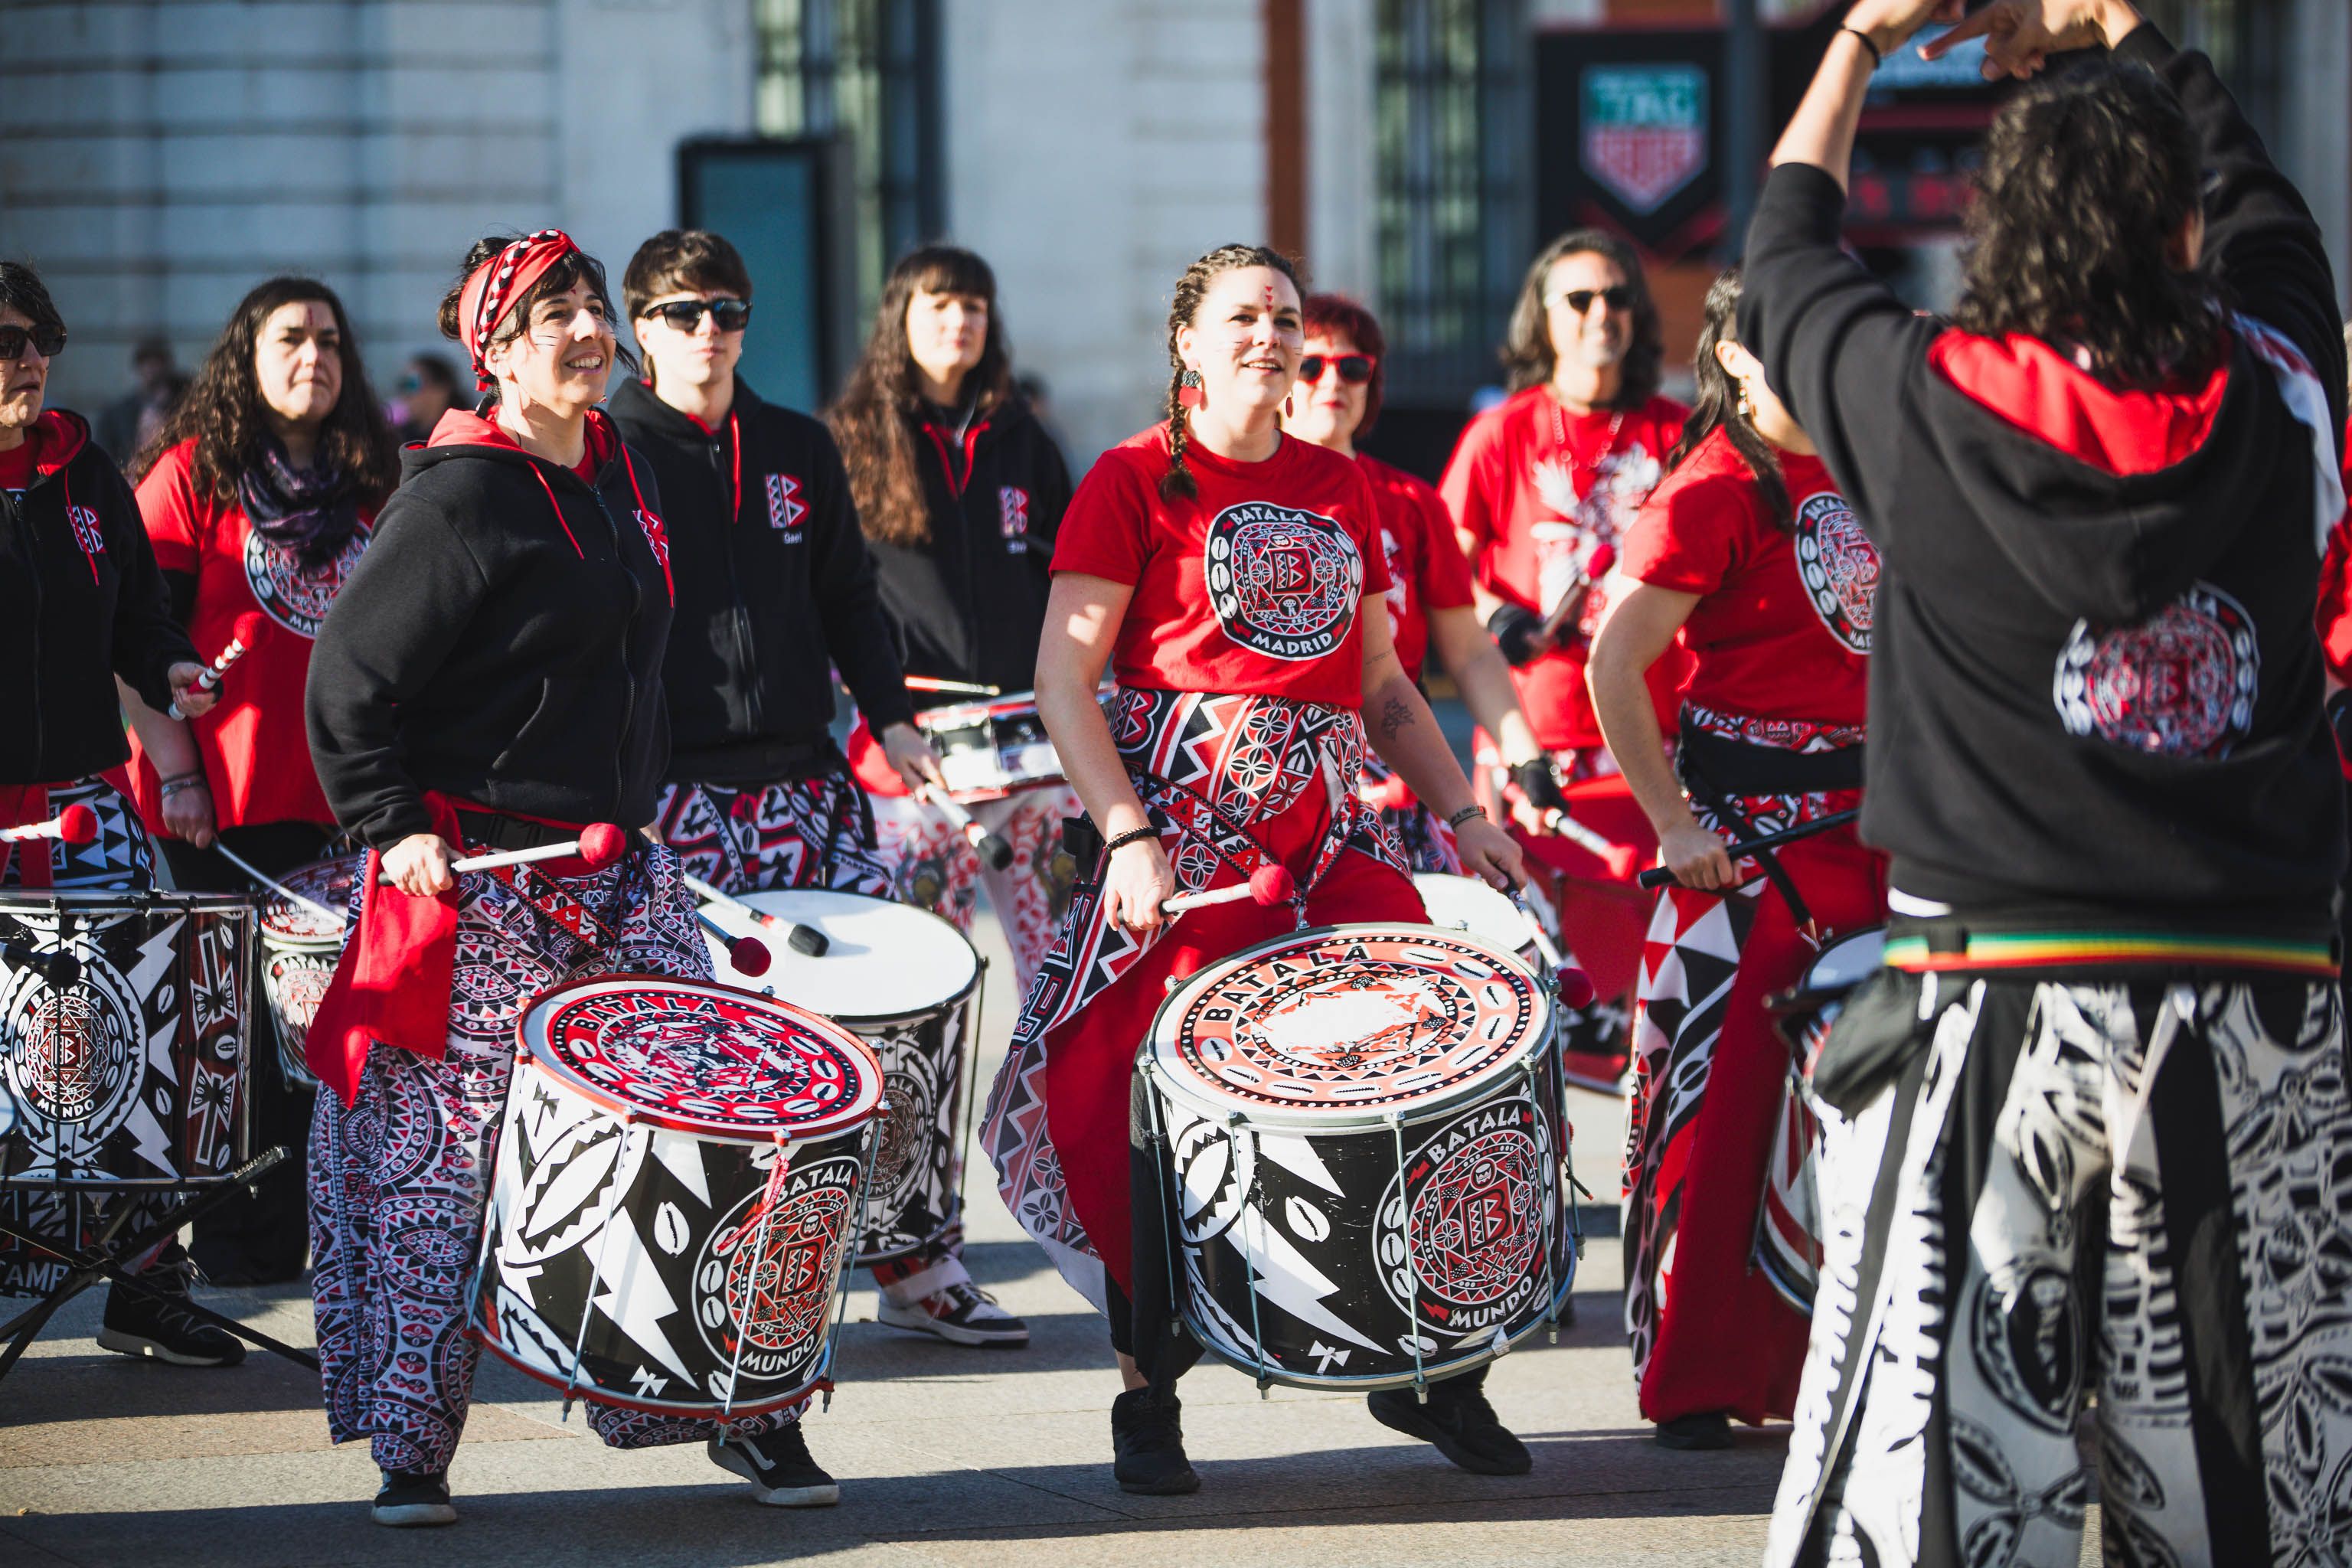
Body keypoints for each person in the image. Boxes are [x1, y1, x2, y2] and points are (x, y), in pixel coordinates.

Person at [1742, 3, 2351, 1563]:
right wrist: (2128, 25)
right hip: (2252, 990)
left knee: (1946, 1462)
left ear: (1992, 230)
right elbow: (2279, 225)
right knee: (2246, 1453)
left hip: (1993, 991)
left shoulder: (1921, 401)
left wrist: (1863, 43)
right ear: (2178, 228)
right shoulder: (2282, 390)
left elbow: (1791, 249)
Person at [980, 243, 1530, 1497]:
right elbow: (1066, 678)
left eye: (1284, 318)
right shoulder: (1129, 479)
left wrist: (1459, 810)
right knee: (1136, 1091)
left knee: (1428, 1058)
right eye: (1242, 318)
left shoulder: (1343, 484)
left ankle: (1430, 1367)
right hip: (1184, 833)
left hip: (1333, 834)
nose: (1270, 339)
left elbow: (1384, 681)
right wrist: (1125, 832)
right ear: (1186, 342)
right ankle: (1148, 1395)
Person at [304, 230, 828, 1527]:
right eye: (556, 312)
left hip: (615, 865)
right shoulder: (457, 496)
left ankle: (736, 1409)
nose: (589, 328)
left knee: (711, 1120)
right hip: (479, 878)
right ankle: (414, 1451)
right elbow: (348, 685)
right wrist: (391, 822)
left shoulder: (615, 467)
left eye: (594, 305)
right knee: (449, 1169)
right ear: (495, 346)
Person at [1585, 267, 1886, 1453]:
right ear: (1734, 358)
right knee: (1716, 1119)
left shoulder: (1877, 467)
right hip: (1743, 857)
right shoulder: (1710, 490)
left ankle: (1848, 1367)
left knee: (1859, 1119)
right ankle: (1699, 1379)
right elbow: (1618, 665)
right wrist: (1671, 824)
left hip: (1878, 835)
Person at [116, 276, 400, 1285]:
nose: (313, 355)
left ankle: (323, 1244)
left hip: (349, 814)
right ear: (246, 354)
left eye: (330, 339)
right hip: (222, 815)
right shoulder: (193, 478)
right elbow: (134, 642)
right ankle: (240, 1255)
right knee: (226, 1048)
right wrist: (181, 773)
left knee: (334, 1049)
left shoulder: (380, 483)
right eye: (290, 338)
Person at [828, 244, 1076, 1347]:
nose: (960, 322)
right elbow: (832, 607)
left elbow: (1077, 593)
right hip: (912, 764)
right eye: (939, 304)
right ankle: (915, 1257)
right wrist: (875, 718)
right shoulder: (850, 443)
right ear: (902, 318)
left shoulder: (1027, 439)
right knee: (920, 1016)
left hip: (1034, 764)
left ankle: (1083, 1214)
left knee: (1067, 986)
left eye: (976, 303)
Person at [0, 260, 234, 1364]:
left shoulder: (87, 473)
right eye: (5, 341)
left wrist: (176, 668)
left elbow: (140, 617)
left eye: (38, 335)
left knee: (151, 1045)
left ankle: (146, 1281)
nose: (29, 357)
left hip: (92, 809)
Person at [606, 231, 935, 906]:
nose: (710, 329)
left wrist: (894, 719)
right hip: (672, 790)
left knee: (853, 993)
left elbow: (849, 597)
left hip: (807, 775)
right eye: (685, 313)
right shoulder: (610, 456)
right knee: (706, 1005)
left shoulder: (799, 443)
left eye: (730, 312)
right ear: (643, 326)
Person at [1438, 230, 1690, 1087]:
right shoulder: (1499, 433)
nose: (1601, 316)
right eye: (1578, 300)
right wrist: (1492, 612)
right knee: (1535, 1007)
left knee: (1655, 1009)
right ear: (1542, 319)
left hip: (1651, 752)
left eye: (1618, 297)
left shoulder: (1678, 431)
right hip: (1534, 754)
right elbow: (1441, 572)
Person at [1280, 292, 1561, 871]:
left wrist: (1526, 757)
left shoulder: (1412, 504)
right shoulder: (1244, 500)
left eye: (1353, 367)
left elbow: (1470, 654)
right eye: (1311, 364)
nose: (1333, 381)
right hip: (1276, 775)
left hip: (1396, 763)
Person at [95, 335, 184, 466]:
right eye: (146, 362)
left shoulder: (183, 407)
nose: (151, 368)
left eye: (156, 362)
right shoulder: (117, 415)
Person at [394, 352, 465, 446]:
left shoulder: (462, 435)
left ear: (441, 389)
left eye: (412, 384)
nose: (406, 394)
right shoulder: (397, 437)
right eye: (404, 384)